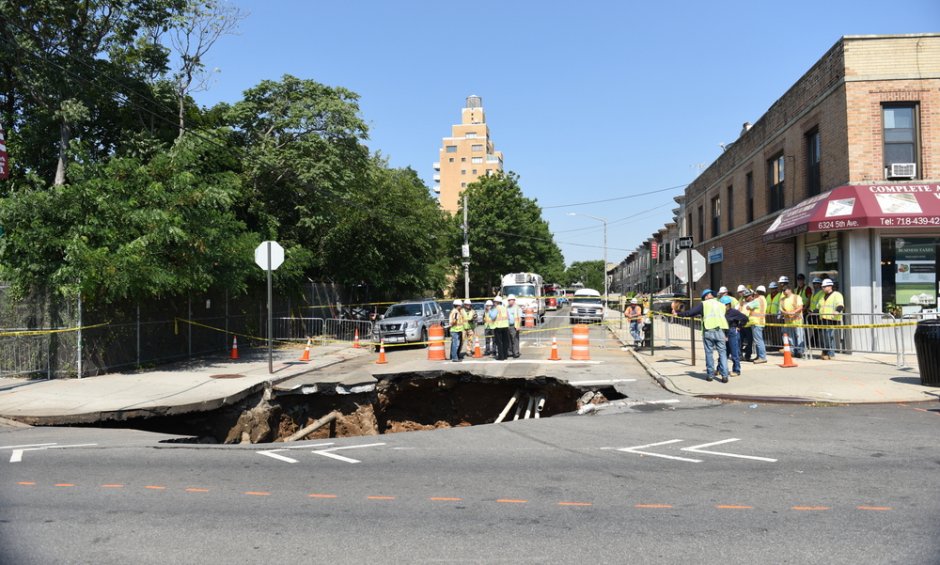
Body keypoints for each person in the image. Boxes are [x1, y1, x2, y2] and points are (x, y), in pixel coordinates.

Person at [672, 289, 729, 383]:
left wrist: (678, 314)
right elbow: (725, 318)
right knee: (722, 353)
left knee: (709, 353)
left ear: (706, 296)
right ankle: (725, 376)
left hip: (708, 331)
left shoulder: (704, 304)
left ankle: (710, 375)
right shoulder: (721, 305)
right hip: (720, 331)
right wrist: (726, 334)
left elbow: (690, 313)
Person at [721, 295, 749, 377]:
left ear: (728, 305)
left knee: (734, 352)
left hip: (732, 332)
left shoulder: (733, 312)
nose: (723, 307)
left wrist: (739, 327)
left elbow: (745, 318)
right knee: (724, 353)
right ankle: (720, 369)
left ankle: (736, 370)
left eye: (724, 305)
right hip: (725, 333)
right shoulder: (722, 312)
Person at [818, 279, 845, 359]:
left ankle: (830, 353)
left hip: (832, 319)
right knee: (825, 336)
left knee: (829, 336)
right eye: (822, 287)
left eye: (824, 287)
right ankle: (827, 352)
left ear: (830, 286)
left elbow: (840, 304)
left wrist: (837, 311)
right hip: (823, 318)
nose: (823, 288)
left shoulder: (837, 294)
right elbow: (819, 306)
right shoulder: (822, 296)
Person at [779, 277, 805, 357]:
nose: (784, 292)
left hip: (797, 320)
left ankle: (800, 351)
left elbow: (800, 307)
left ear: (789, 290)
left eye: (785, 290)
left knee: (799, 336)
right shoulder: (782, 299)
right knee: (790, 337)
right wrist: (784, 313)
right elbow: (781, 309)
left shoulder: (797, 297)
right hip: (788, 321)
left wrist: (793, 312)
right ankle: (793, 351)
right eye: (783, 290)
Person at [743, 285, 768, 363]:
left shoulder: (757, 300)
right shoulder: (763, 299)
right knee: (758, 340)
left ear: (757, 292)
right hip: (760, 322)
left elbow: (748, 307)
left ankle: (762, 357)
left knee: (758, 341)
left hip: (756, 322)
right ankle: (759, 356)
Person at [489, 295, 510, 361]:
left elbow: (492, 316)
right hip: (505, 326)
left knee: (499, 342)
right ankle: (505, 356)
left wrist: (489, 311)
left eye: (494, 302)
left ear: (497, 302)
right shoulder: (505, 308)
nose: (494, 303)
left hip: (498, 327)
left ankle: (501, 357)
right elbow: (508, 317)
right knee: (505, 342)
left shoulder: (497, 308)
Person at [737, 288, 754, 361]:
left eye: (747, 296)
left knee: (749, 342)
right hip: (742, 325)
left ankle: (747, 356)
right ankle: (740, 355)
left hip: (749, 325)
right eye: (744, 297)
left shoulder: (753, 303)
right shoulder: (742, 303)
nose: (745, 298)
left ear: (751, 296)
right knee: (739, 341)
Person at [766, 280, 782, 351]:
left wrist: (779, 315)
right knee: (771, 331)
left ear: (776, 288)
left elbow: (780, 305)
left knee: (777, 331)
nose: (772, 290)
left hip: (776, 315)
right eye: (771, 289)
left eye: (773, 288)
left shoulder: (779, 295)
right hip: (769, 316)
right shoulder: (768, 296)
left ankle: (779, 345)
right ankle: (773, 344)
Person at [506, 294, 523, 358]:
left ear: (514, 300)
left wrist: (518, 325)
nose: (509, 301)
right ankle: (510, 352)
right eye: (508, 300)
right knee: (509, 340)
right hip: (508, 326)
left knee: (515, 340)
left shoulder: (517, 308)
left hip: (514, 326)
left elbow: (520, 317)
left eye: (510, 300)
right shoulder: (507, 307)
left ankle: (516, 353)